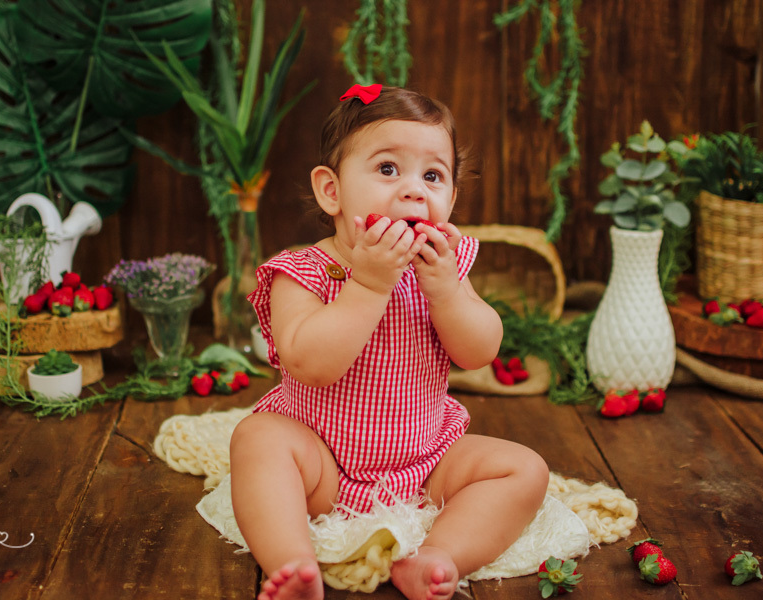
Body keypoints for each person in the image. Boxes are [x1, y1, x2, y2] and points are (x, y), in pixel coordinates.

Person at [230, 84, 549, 600]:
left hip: (426, 463)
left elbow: (479, 351)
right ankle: (292, 564)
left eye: (432, 176)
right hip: (323, 466)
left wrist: (447, 294)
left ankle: (437, 556)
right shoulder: (305, 271)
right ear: (331, 191)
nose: (413, 190)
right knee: (257, 439)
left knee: (525, 469)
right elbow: (309, 362)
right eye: (387, 169)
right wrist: (370, 285)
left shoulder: (441, 268)